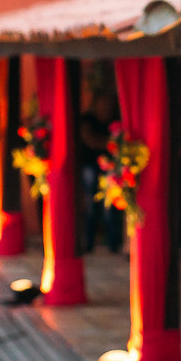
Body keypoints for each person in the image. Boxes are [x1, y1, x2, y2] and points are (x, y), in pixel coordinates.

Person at [77, 94, 123, 254]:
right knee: (90, 204)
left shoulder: (114, 120)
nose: (105, 107)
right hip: (90, 166)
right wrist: (110, 142)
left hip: (109, 168)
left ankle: (113, 244)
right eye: (102, 103)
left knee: (110, 205)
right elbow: (91, 141)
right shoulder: (87, 120)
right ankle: (88, 243)